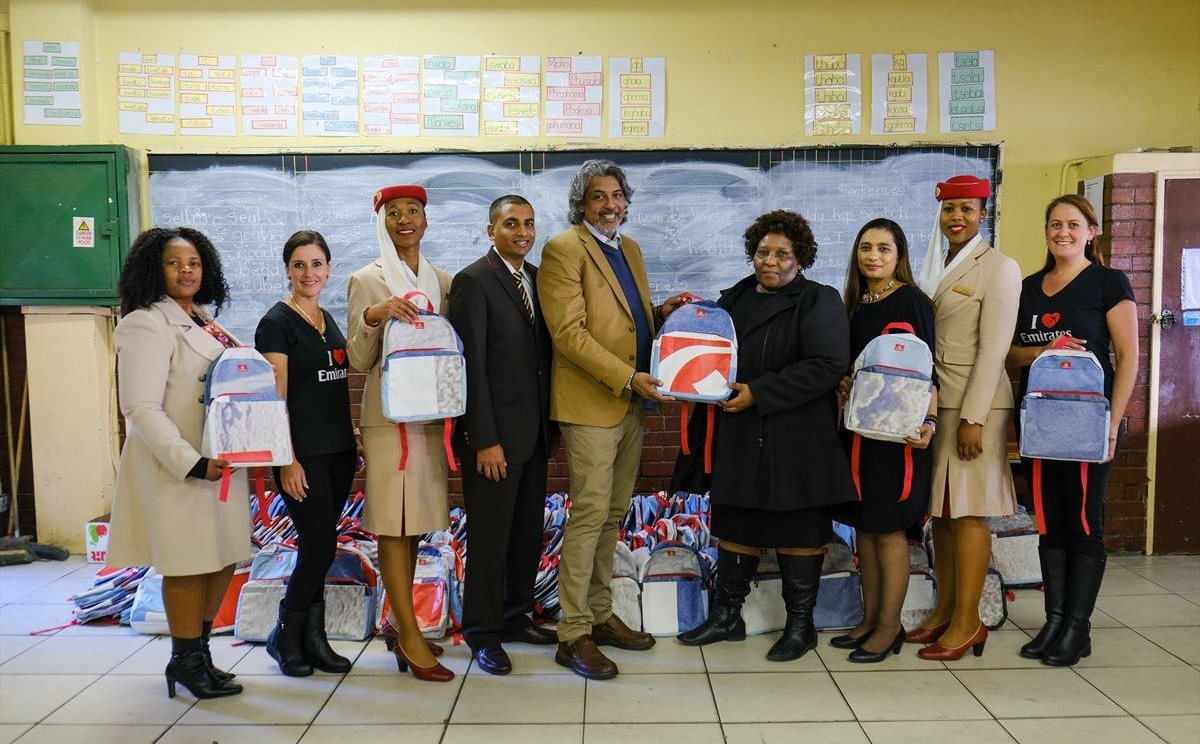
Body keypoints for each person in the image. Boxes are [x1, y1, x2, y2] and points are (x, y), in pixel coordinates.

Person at [675, 209, 856, 663]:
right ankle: (726, 616)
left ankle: (801, 626)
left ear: (801, 258)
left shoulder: (820, 300)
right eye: (762, 252)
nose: (770, 261)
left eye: (782, 254)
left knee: (798, 529)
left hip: (798, 436)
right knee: (736, 523)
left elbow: (826, 365)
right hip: (738, 431)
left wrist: (759, 392)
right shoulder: (733, 298)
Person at [536, 159, 684, 680]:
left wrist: (663, 314)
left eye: (617, 195)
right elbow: (569, 334)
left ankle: (599, 615)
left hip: (630, 404)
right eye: (598, 197)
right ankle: (571, 631)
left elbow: (626, 317)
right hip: (593, 403)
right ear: (581, 204)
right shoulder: (563, 248)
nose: (610, 204)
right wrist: (627, 377)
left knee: (613, 513)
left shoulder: (630, 249)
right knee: (589, 514)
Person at [108, 227, 248, 699]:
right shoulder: (145, 323)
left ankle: (201, 652)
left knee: (222, 557)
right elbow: (141, 408)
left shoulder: (203, 319)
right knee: (188, 564)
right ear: (154, 269)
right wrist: (190, 463)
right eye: (174, 262)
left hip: (221, 464)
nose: (186, 270)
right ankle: (185, 660)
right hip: (182, 468)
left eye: (194, 262)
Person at [1006, 194, 1137, 666]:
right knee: (1049, 524)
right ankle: (1054, 621)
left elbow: (1128, 358)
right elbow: (1011, 355)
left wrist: (1111, 425)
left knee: (1083, 525)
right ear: (1046, 231)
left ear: (1091, 231)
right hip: (1039, 426)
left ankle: (1077, 631)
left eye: (1073, 224)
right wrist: (1044, 351)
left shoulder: (1108, 282)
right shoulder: (1028, 288)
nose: (1063, 232)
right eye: (1055, 224)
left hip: (1088, 427)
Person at [909, 175, 1020, 660]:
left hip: (976, 406)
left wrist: (974, 416)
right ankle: (946, 611)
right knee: (944, 513)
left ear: (983, 213)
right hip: (939, 403)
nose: (957, 218)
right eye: (949, 209)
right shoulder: (938, 260)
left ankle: (969, 623)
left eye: (967, 210)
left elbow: (995, 348)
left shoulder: (999, 267)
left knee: (970, 512)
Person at [447, 195, 559, 675]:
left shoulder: (535, 278)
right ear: (490, 230)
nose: (522, 232)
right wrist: (483, 437)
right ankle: (483, 632)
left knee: (525, 535)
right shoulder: (472, 281)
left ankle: (516, 616)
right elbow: (470, 362)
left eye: (529, 224)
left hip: (533, 434)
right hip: (494, 438)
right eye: (511, 223)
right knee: (491, 540)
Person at [347, 185, 454, 682]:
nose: (405, 220)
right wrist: (375, 315)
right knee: (393, 522)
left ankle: (400, 622)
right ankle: (410, 637)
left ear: (426, 221)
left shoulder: (442, 281)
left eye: (413, 211)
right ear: (383, 222)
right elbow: (359, 359)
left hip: (430, 418)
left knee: (416, 525)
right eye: (394, 213)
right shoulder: (366, 280)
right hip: (388, 419)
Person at [255, 230, 361, 677]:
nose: (309, 273)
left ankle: (313, 641)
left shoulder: (327, 319)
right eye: (299, 265)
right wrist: (286, 461)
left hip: (338, 452)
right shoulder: (276, 323)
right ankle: (285, 634)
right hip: (304, 458)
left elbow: (334, 390)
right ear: (287, 270)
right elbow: (275, 399)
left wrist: (353, 439)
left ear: (328, 269)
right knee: (318, 548)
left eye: (316, 264)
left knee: (320, 547)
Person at [832, 218, 938, 662]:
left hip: (900, 436)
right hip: (859, 433)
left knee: (890, 530)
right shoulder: (854, 305)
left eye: (884, 249)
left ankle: (891, 626)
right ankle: (871, 618)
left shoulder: (913, 301)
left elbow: (931, 371)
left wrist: (929, 424)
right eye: (865, 248)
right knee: (866, 529)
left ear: (900, 256)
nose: (873, 256)